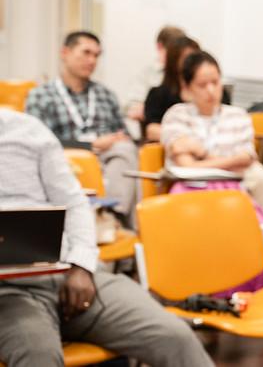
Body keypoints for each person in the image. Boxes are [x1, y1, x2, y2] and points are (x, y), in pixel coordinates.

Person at [0, 109, 213, 367]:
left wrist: (81, 266)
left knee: (176, 337)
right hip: (8, 295)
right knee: (37, 357)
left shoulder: (29, 131)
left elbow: (75, 203)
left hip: (70, 275)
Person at [160, 51, 263, 282]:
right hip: (192, 190)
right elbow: (186, 166)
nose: (211, 90)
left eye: (215, 82)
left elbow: (246, 158)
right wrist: (227, 161)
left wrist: (202, 154)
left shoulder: (237, 115)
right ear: (187, 86)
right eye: (202, 84)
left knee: (258, 228)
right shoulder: (176, 115)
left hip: (232, 189)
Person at [25, 31, 138, 227]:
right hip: (67, 162)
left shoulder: (106, 95)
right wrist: (89, 146)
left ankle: (112, 214)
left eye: (96, 55)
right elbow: (37, 143)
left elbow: (124, 134)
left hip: (110, 162)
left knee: (126, 151)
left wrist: (118, 139)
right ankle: (107, 220)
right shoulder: (41, 96)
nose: (92, 60)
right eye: (86, 53)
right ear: (65, 52)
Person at [123, 25, 186, 126]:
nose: (176, 55)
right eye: (173, 50)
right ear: (160, 47)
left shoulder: (187, 73)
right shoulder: (146, 75)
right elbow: (133, 109)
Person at [143, 35, 201, 142]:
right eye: (186, 58)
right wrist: (187, 138)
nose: (192, 64)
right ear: (174, 61)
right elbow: (152, 131)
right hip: (174, 147)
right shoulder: (158, 94)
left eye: (196, 58)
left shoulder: (212, 92)